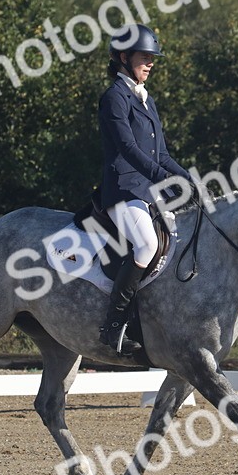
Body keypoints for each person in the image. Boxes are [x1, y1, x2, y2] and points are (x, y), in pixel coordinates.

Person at [96, 24, 193, 356]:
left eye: (153, 59)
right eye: (145, 58)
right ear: (124, 58)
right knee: (147, 245)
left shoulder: (146, 99)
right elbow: (127, 148)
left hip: (147, 191)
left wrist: (188, 179)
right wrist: (163, 178)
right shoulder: (114, 97)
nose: (150, 64)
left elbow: (161, 154)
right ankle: (113, 325)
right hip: (123, 189)